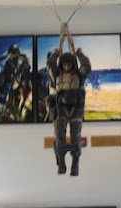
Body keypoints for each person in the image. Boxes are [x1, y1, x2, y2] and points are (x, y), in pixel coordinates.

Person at [46, 47, 91, 176]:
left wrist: (80, 54)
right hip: (60, 106)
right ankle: (61, 162)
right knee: (60, 135)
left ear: (73, 64)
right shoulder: (56, 74)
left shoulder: (79, 75)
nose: (66, 67)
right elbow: (50, 65)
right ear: (61, 64)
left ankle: (75, 163)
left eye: (69, 64)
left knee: (76, 135)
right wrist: (55, 54)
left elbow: (86, 66)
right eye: (64, 64)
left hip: (76, 106)